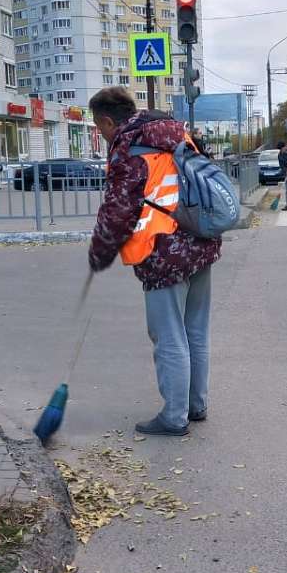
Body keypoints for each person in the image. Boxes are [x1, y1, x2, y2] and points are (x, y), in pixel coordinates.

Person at [87, 87, 222, 437]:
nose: (101, 135)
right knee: (195, 331)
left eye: (98, 128)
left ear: (106, 121)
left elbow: (119, 208)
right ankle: (196, 405)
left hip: (162, 252)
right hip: (201, 242)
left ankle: (175, 417)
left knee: (169, 336)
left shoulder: (129, 147)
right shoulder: (176, 132)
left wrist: (100, 250)